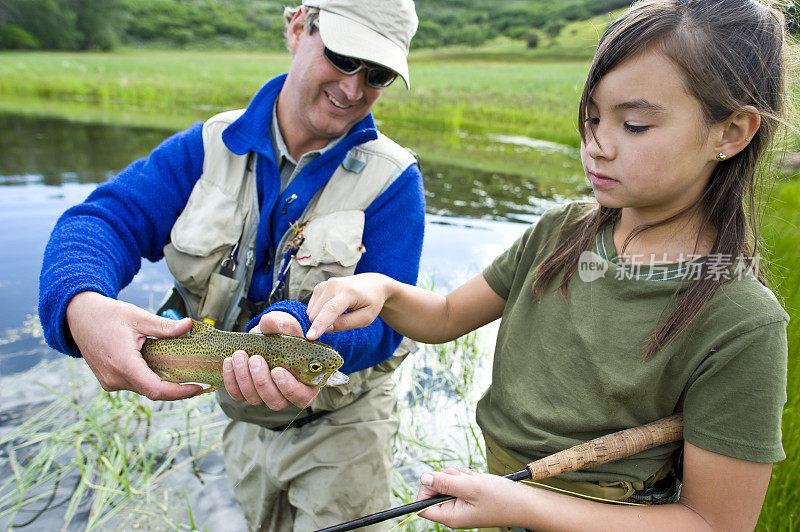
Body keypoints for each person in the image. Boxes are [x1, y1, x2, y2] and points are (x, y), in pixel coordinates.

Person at [304, 0, 791, 529]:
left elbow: (715, 522)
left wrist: (520, 505)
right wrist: (385, 291)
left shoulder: (742, 322)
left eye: (634, 125)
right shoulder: (560, 232)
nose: (596, 146)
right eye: (592, 118)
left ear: (731, 133)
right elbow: (445, 317)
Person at [38, 0, 424, 530]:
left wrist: (303, 333)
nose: (353, 88)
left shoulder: (395, 181)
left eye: (376, 73)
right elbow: (104, 221)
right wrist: (82, 305)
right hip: (243, 416)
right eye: (341, 56)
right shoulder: (203, 148)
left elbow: (389, 320)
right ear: (297, 28)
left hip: (346, 426)